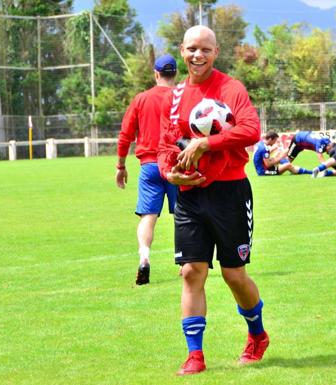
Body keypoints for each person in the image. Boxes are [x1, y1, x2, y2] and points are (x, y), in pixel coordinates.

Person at [157, 25, 268, 376]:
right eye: (191, 49)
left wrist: (206, 143)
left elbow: (251, 130)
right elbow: (164, 146)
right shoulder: (174, 97)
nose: (197, 55)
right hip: (189, 195)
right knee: (191, 272)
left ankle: (257, 334)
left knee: (234, 275)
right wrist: (169, 173)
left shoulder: (230, 89)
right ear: (181, 50)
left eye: (204, 49)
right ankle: (195, 355)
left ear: (215, 52)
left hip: (230, 193)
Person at [116, 54, 179, 285]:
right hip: (176, 164)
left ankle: (144, 257)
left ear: (156, 73)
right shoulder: (181, 97)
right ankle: (185, 262)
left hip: (150, 166)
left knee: (147, 217)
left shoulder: (141, 99)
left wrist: (121, 166)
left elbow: (125, 135)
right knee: (183, 216)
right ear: (176, 74)